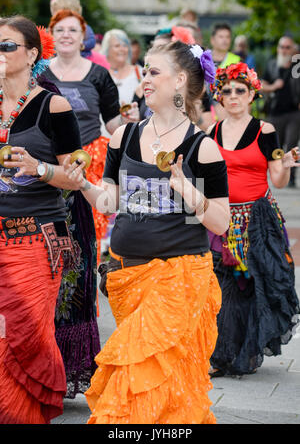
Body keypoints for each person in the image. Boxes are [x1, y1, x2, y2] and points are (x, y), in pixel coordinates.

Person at [63, 40, 230, 424]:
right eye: (145, 71)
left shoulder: (202, 148)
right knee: (160, 389)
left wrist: (189, 192)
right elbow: (110, 203)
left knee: (130, 383)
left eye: (154, 71)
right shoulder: (126, 136)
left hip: (178, 278)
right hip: (127, 275)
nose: (145, 79)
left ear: (181, 81)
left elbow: (220, 223)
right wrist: (83, 186)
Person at [41, 8, 139, 398]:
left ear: (84, 37)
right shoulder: (38, 74)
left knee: (74, 270)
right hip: (40, 181)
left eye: (72, 30)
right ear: (50, 36)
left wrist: (141, 133)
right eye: (59, 30)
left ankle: (69, 362)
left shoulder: (98, 75)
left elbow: (114, 126)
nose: (66, 36)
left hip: (81, 179)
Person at [0, 15, 83, 423]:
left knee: (24, 337)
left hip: (35, 239)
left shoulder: (55, 105)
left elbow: (77, 176)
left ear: (32, 53)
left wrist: (40, 168)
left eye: (7, 46)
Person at [207, 62, 300, 377]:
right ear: (219, 96)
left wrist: (286, 163)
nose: (233, 96)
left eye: (240, 91)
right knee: (223, 285)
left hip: (257, 219)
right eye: (227, 91)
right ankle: (223, 353)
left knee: (252, 285)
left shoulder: (265, 130)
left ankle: (242, 350)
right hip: (222, 218)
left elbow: (279, 179)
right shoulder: (212, 132)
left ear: (251, 95)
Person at [262, 36, 300, 188]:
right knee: (276, 146)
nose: (284, 50)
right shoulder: (272, 65)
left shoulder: (297, 66)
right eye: (282, 47)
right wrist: (273, 87)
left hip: (293, 113)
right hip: (274, 112)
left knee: (291, 144)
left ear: (294, 50)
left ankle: (291, 177)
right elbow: (262, 84)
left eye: (287, 47)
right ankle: (276, 173)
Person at [50, 0, 110, 69]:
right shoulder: (53, 28)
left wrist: (81, 46)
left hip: (83, 57)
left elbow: (92, 41)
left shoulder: (84, 27)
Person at [101, 29, 143, 106]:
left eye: (125, 45)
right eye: (117, 46)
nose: (122, 49)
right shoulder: (100, 74)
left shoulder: (139, 72)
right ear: (107, 49)